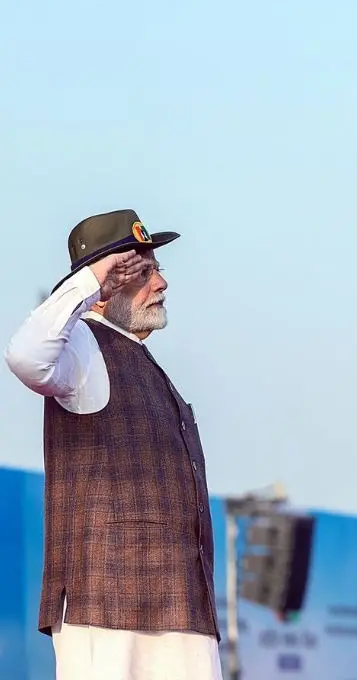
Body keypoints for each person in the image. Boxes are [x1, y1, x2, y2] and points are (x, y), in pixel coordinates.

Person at [4, 210, 222, 679]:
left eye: (158, 269)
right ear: (104, 290)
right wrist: (88, 283)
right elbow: (24, 357)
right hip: (104, 604)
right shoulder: (82, 345)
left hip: (182, 606)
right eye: (142, 272)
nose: (161, 283)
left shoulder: (141, 360)